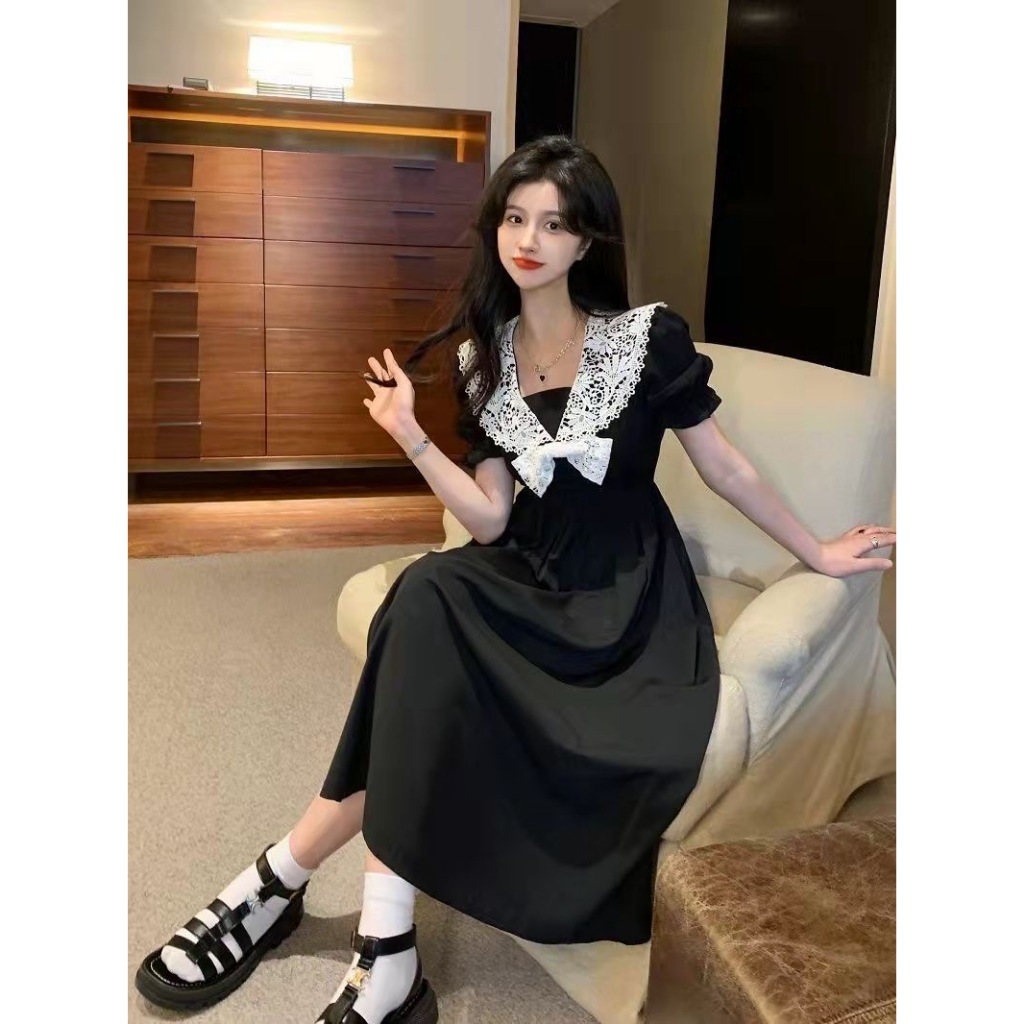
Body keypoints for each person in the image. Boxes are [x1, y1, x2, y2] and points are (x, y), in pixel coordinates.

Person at [134, 135, 895, 1024]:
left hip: (622, 592)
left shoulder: (645, 338)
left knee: (417, 654)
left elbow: (723, 466)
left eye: (555, 224)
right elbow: (491, 517)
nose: (530, 239)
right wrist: (410, 435)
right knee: (426, 595)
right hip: (524, 566)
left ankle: (281, 878)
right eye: (516, 217)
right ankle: (385, 948)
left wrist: (817, 551)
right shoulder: (481, 359)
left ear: (586, 241)